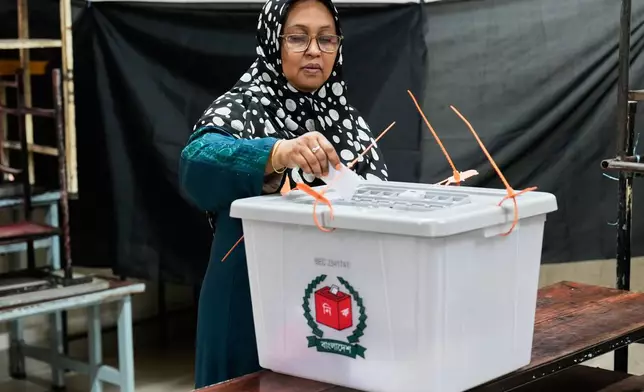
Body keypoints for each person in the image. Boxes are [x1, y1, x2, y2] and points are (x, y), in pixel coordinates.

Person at [179, 0, 388, 388]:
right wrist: (276, 153)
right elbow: (196, 163)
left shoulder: (349, 121)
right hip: (250, 309)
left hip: (336, 308)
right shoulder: (242, 108)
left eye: (326, 39)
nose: (314, 50)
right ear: (272, 43)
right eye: (298, 37)